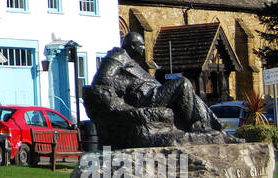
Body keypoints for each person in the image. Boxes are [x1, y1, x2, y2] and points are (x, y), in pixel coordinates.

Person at [92, 32, 220, 133]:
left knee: (188, 91)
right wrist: (127, 85)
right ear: (132, 46)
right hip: (145, 96)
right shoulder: (118, 55)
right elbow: (103, 79)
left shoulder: (130, 60)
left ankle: (210, 124)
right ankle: (196, 126)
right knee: (183, 83)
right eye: (141, 45)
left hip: (152, 92)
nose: (144, 49)